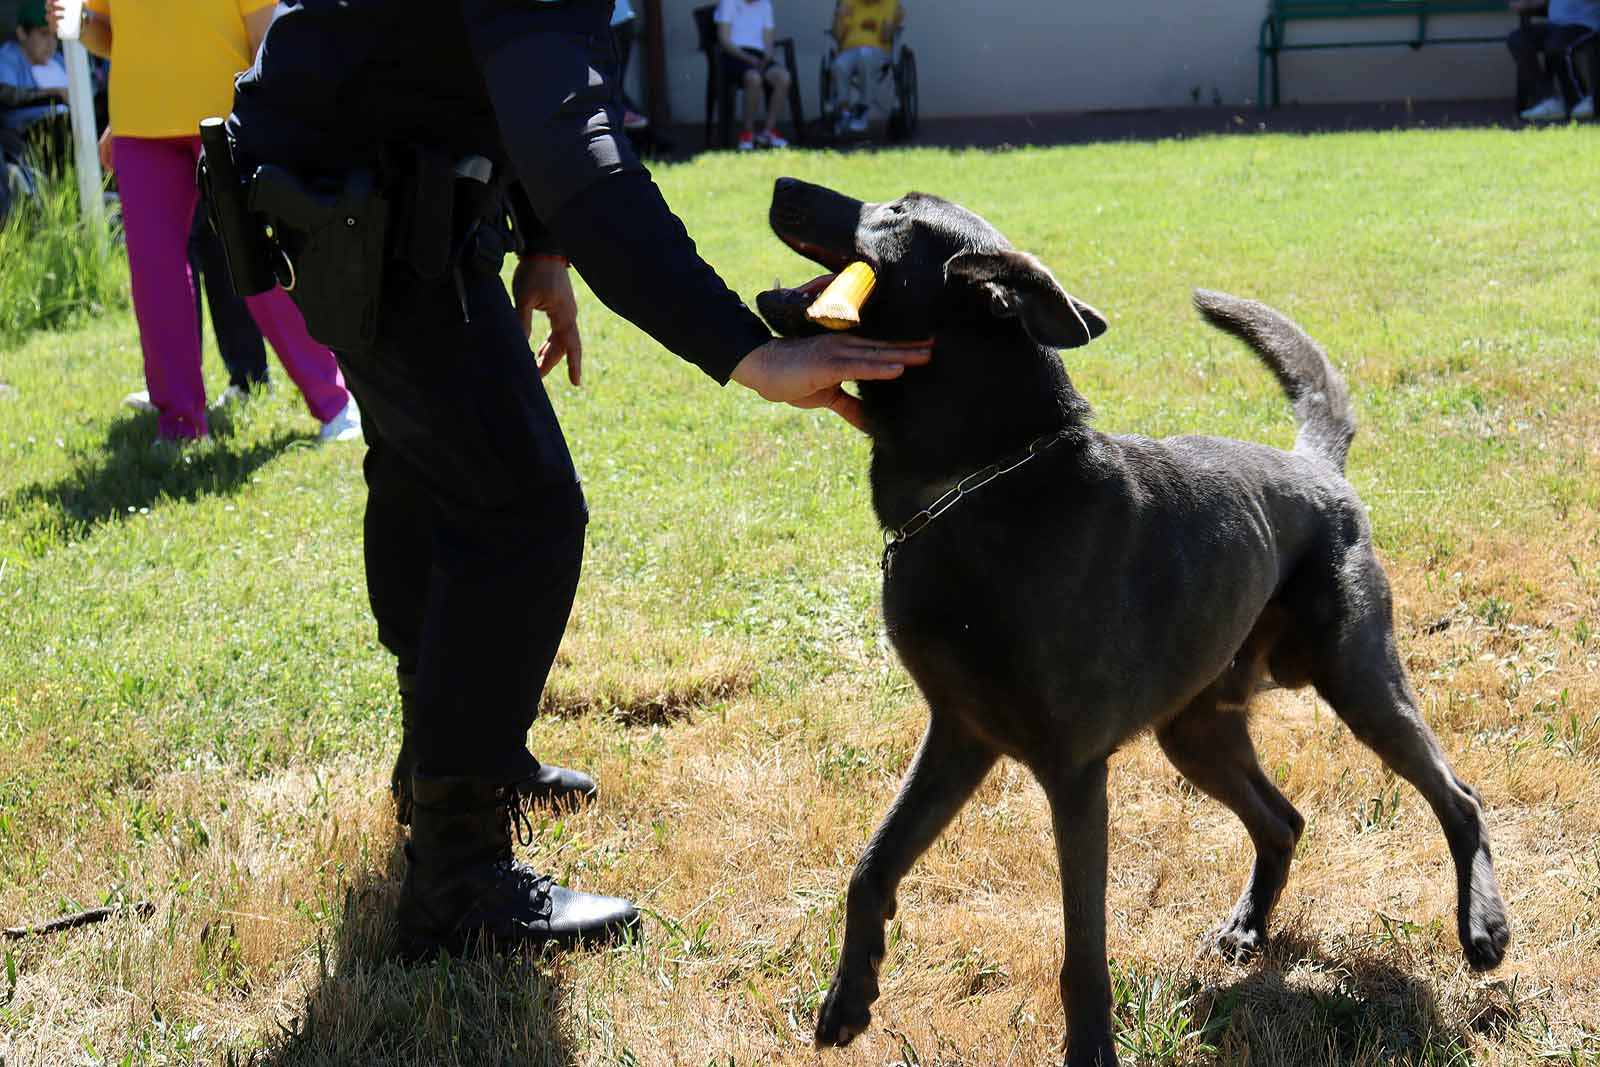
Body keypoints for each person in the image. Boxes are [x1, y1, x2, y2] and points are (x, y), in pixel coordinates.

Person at [222, 0, 929, 958]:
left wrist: (542, 250)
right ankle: (456, 876)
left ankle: (445, 761)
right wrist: (744, 352)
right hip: (358, 198)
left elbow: (519, 76)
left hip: (381, 176)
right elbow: (579, 157)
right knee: (517, 511)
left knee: (432, 473)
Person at [50, 0, 360, 443]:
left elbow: (263, 39)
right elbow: (115, 36)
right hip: (140, 128)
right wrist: (82, 23)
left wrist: (271, 120)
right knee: (156, 281)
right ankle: (180, 425)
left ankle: (334, 402)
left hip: (226, 118)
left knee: (259, 264)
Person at [714, 0, 791, 150]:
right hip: (734, 55)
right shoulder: (728, 3)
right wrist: (746, 58)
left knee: (783, 77)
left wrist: (767, 57)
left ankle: (768, 132)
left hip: (758, 56)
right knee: (753, 78)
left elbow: (768, 41)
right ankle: (747, 134)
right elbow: (724, 39)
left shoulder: (765, 5)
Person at [0, 1, 69, 166]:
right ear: (22, 33)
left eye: (55, 36)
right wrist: (50, 94)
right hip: (24, 138)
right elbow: (6, 95)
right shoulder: (7, 60)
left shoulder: (60, 61)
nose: (51, 43)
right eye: (44, 34)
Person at [1509, 0, 1600, 120]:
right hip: (1555, 25)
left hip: (1585, 25)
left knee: (1556, 44)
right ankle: (1548, 100)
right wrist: (1527, 4)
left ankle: (1581, 100)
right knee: (1518, 40)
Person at [830, 0, 903, 133]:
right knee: (838, 64)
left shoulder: (889, 3)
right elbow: (838, 36)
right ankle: (845, 110)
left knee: (865, 55)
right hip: (850, 49)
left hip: (877, 50)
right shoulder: (849, 2)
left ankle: (862, 107)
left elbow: (885, 37)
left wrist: (893, 24)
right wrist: (838, 16)